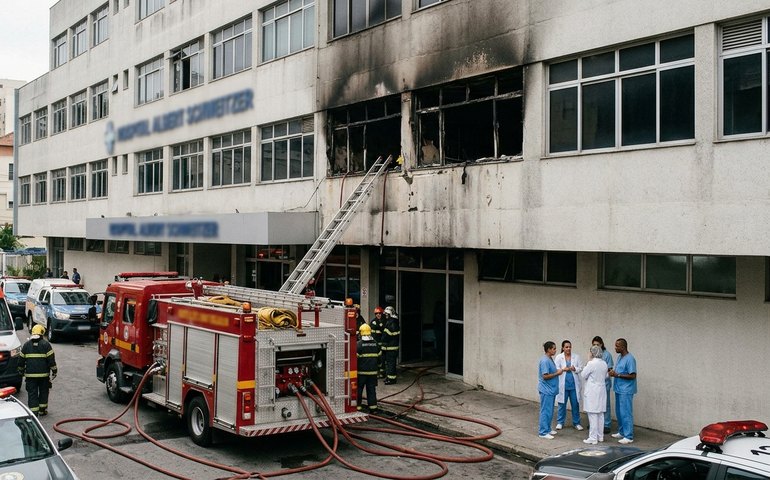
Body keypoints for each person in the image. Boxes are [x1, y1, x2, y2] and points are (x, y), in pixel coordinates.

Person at [17, 324, 58, 416]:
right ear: (42, 334)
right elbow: (51, 360)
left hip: (30, 377)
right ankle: (42, 410)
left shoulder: (26, 345)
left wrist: (21, 370)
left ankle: (33, 412)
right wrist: (54, 371)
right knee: (44, 392)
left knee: (32, 393)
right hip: (44, 376)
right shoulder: (46, 345)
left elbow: (21, 361)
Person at [609, 338, 637, 444]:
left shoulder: (630, 359)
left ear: (623, 347)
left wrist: (618, 375)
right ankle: (621, 432)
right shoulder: (620, 357)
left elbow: (633, 375)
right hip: (619, 389)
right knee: (619, 412)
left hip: (626, 390)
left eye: (617, 346)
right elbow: (618, 371)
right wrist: (613, 372)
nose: (615, 348)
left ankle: (628, 436)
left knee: (626, 413)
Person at [580, 345, 609, 444]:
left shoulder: (591, 363)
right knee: (600, 414)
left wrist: (588, 362)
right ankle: (600, 436)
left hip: (593, 390)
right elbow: (606, 376)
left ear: (592, 353)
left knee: (592, 414)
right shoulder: (604, 363)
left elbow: (583, 375)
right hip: (601, 390)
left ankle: (593, 438)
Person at [554, 340, 584, 431]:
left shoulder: (576, 357)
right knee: (562, 404)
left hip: (574, 386)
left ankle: (577, 423)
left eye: (570, 347)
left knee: (575, 404)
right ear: (563, 348)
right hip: (563, 386)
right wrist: (563, 369)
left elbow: (581, 368)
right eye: (566, 347)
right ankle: (560, 422)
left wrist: (575, 368)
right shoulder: (559, 357)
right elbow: (556, 369)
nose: (568, 348)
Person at [538, 341, 562, 439]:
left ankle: (547, 428)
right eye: (553, 348)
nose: (555, 350)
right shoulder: (544, 361)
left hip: (551, 390)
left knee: (550, 410)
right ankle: (543, 432)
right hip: (546, 390)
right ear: (548, 349)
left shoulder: (550, 359)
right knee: (545, 411)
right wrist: (558, 373)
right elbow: (545, 376)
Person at [592, 335, 614, 433]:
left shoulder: (607, 355)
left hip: (605, 383)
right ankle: (595, 424)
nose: (596, 346)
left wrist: (603, 377)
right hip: (594, 384)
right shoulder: (592, 354)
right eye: (594, 345)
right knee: (595, 404)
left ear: (602, 344)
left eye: (597, 344)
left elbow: (609, 370)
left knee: (605, 404)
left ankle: (606, 424)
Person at [356, 323, 380, 413]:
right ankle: (373, 409)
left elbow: (355, 360)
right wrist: (380, 369)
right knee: (371, 390)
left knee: (359, 389)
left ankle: (358, 407)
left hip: (361, 373)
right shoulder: (376, 344)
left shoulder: (358, 345)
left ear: (361, 333)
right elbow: (380, 358)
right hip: (373, 373)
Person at [381, 306, 400, 385]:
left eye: (387, 314)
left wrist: (383, 337)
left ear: (390, 314)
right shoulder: (392, 321)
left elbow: (387, 335)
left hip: (391, 348)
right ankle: (389, 377)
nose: (385, 316)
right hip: (389, 347)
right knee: (389, 363)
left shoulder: (392, 323)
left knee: (391, 364)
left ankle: (392, 380)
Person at [370, 306, 385, 378]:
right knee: (375, 358)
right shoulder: (373, 322)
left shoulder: (384, 321)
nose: (378, 315)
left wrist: (379, 325)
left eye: (379, 313)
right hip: (374, 344)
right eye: (376, 313)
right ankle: (376, 372)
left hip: (382, 344)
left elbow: (383, 330)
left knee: (382, 359)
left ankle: (382, 372)